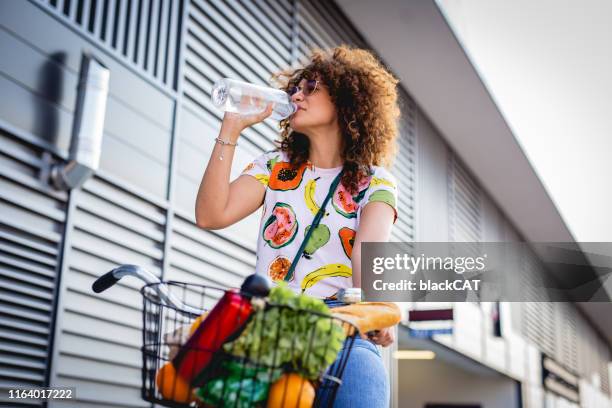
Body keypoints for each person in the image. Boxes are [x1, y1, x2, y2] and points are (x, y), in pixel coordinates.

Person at [195, 45, 401, 407]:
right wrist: (231, 126)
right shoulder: (276, 167)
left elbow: (368, 258)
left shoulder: (375, 183)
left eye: (311, 88)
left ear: (344, 102)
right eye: (296, 88)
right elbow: (211, 214)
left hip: (340, 328)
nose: (296, 95)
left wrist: (375, 309)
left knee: (360, 376)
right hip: (271, 330)